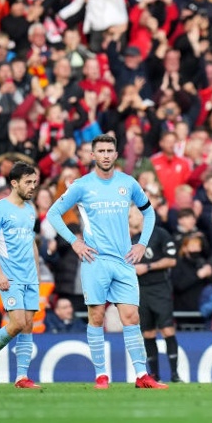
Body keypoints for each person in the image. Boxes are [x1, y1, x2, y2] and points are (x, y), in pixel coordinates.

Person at [46, 134, 167, 390]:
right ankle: (101, 375)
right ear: (93, 155)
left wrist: (142, 243)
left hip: (124, 260)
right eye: (100, 150)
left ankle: (142, 375)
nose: (105, 155)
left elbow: (149, 212)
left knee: (131, 317)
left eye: (109, 150)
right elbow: (53, 213)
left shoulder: (128, 183)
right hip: (95, 260)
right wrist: (74, 241)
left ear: (115, 154)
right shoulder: (81, 185)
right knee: (97, 316)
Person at [0, 162, 41, 389]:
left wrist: (37, 272)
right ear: (14, 183)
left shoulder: (31, 210)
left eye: (34, 182)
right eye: (28, 182)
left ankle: (21, 377)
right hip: (9, 276)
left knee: (28, 324)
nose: (33, 186)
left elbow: (31, 241)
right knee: (17, 323)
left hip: (30, 276)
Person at [130, 208, 180, 383]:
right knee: (148, 333)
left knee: (167, 329)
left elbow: (172, 260)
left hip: (160, 288)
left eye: (132, 214)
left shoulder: (159, 233)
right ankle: (155, 375)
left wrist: (148, 267)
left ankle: (175, 374)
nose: (129, 218)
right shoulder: (128, 239)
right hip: (141, 290)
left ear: (141, 215)